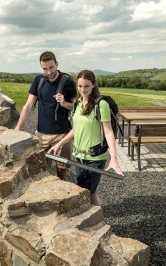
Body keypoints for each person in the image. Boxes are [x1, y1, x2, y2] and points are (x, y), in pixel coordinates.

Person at [48, 70, 123, 206]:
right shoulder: (77, 103)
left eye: (87, 86)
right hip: (78, 156)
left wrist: (114, 158)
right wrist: (59, 144)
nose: (83, 89)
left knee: (89, 191)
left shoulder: (101, 105)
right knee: (85, 190)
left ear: (93, 85)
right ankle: (95, 221)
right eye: (80, 86)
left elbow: (108, 132)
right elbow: (76, 129)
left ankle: (96, 221)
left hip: (95, 158)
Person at [14, 51, 76, 180]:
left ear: (57, 64)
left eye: (51, 67)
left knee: (62, 171)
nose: (49, 72)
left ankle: (63, 197)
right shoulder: (39, 80)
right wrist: (18, 128)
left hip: (62, 135)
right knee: (40, 170)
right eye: (45, 69)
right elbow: (28, 105)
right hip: (41, 135)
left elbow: (76, 107)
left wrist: (64, 103)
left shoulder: (68, 82)